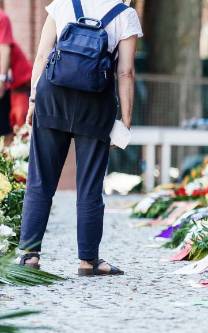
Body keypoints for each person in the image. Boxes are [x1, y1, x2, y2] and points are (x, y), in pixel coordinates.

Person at [15, 0, 141, 276]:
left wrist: (34, 101)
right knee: (90, 185)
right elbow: (125, 72)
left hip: (53, 97)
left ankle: (30, 255)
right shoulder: (125, 15)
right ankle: (88, 261)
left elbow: (42, 56)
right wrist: (125, 120)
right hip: (95, 105)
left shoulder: (63, 4)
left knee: (40, 178)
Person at [0, 1, 33, 140]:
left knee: (17, 128)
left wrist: (1, 80)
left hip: (19, 84)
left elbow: (4, 49)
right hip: (12, 85)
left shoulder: (1, 18)